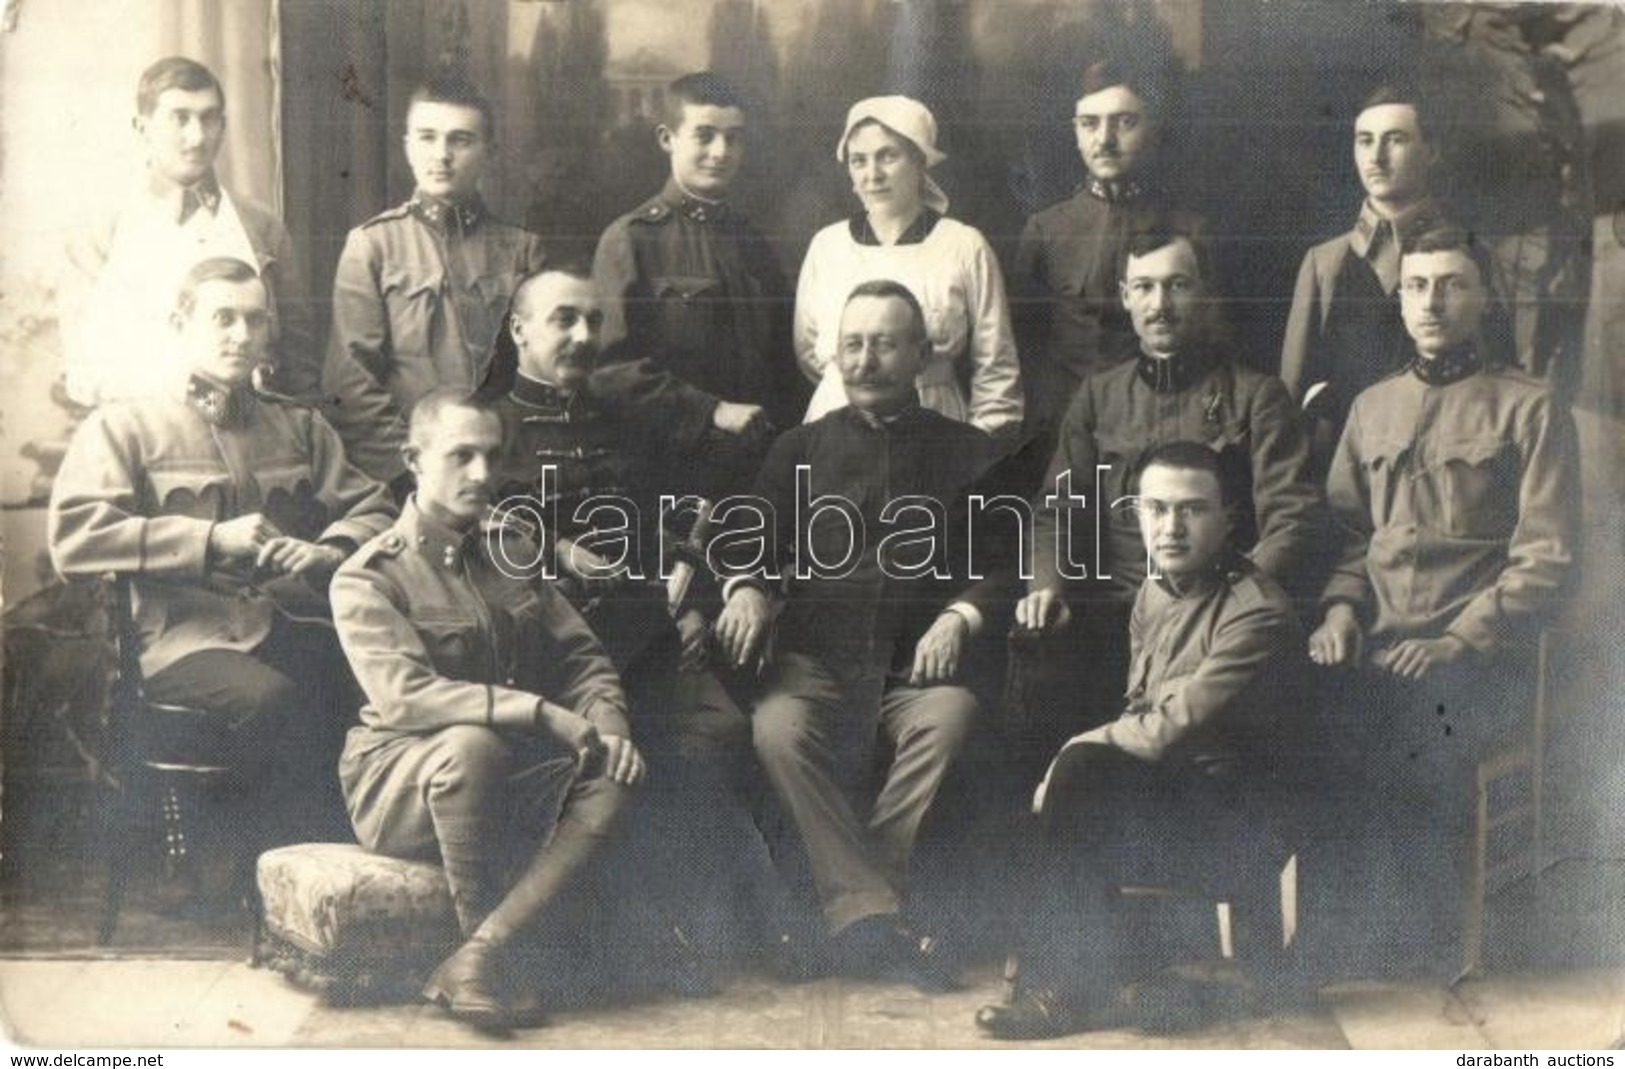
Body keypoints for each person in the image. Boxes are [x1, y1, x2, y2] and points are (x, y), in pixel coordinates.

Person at [713, 280, 1010, 986]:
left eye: (883, 342)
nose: (865, 359)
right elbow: (742, 540)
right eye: (852, 343)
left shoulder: (969, 451)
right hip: (813, 663)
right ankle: (882, 915)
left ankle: (859, 907)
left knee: (951, 719)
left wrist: (957, 614)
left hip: (918, 671)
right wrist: (748, 585)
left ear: (922, 353)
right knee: (775, 731)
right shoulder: (799, 447)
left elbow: (1007, 558)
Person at [489, 266, 787, 969]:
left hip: (644, 632)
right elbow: (478, 527)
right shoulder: (488, 426)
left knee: (718, 728)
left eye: (593, 321)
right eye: (563, 319)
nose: (582, 335)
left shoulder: (624, 413)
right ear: (519, 329)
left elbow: (673, 516)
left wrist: (685, 600)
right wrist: (554, 548)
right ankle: (691, 926)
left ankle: (719, 918)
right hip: (543, 650)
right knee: (643, 743)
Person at [49, 256, 394, 851]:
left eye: (255, 321)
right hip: (180, 645)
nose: (242, 335)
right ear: (180, 323)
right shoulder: (126, 427)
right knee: (274, 703)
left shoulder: (298, 426)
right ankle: (270, 880)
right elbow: (75, 538)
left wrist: (328, 549)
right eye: (223, 318)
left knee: (377, 681)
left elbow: (378, 508)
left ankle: (352, 876)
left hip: (281, 623)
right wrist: (207, 541)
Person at [1306, 225, 1578, 969]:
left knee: (1412, 727)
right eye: (1417, 285)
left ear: (1482, 295)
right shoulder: (1371, 408)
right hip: (1380, 640)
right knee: (1297, 720)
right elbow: (1347, 535)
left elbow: (1545, 554)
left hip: (1483, 652)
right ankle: (1328, 941)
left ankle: (1411, 946)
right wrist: (1336, 609)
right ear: (1399, 300)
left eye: (1451, 283)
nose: (1431, 301)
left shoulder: (1528, 406)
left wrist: (1457, 638)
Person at [332, 388, 643, 1031]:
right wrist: (537, 711)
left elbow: (583, 657)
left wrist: (609, 729)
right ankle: (486, 950)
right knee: (473, 744)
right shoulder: (368, 576)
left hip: (505, 773)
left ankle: (481, 955)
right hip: (401, 780)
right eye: (460, 456)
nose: (481, 474)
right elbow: (406, 695)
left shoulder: (513, 548)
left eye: (491, 456)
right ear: (413, 460)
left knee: (613, 774)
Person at [977, 441, 1302, 1039]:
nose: (1170, 527)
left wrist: (1072, 754)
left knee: (1079, 774)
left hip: (1237, 823)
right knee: (1066, 777)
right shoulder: (1156, 589)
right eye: (1156, 509)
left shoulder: (1256, 612)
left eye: (1192, 509)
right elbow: (1138, 703)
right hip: (1172, 801)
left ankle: (1065, 987)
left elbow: (1160, 730)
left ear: (1229, 518)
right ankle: (1092, 980)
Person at [1015, 225, 1318, 773]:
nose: (1161, 304)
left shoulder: (1255, 397)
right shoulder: (1099, 396)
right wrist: (1046, 586)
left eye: (1177, 285)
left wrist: (1228, 603)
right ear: (1126, 297)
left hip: (1213, 615)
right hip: (1114, 612)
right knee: (1037, 660)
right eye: (1145, 288)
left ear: (1204, 294)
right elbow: (1057, 508)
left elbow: (1290, 520)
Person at [322, 77, 547, 488]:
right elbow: (351, 385)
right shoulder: (373, 245)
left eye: (460, 140)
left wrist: (499, 471)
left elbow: (536, 379)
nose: (441, 155)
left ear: (489, 152)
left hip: (504, 474)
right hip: (408, 481)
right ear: (408, 145)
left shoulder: (522, 251)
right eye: (427, 138)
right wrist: (417, 473)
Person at [60, 57, 314, 406]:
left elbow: (300, 358)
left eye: (208, 118)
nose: (196, 137)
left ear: (223, 127)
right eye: (179, 118)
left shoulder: (261, 225)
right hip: (144, 437)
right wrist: (201, 397)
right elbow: (83, 373)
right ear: (142, 127)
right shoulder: (101, 232)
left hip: (253, 435)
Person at [794, 96, 1023, 444]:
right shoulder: (827, 246)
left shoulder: (963, 245)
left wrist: (974, 449)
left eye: (888, 156)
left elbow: (997, 365)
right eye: (859, 160)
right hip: (838, 426)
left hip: (935, 425)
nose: (872, 174)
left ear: (920, 161)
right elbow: (810, 352)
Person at [592, 71, 805, 441]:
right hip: (669, 463)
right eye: (704, 135)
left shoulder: (752, 241)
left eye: (733, 138)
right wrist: (711, 412)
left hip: (759, 464)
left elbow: (785, 363)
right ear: (667, 139)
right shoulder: (632, 240)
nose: (721, 152)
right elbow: (611, 372)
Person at [1009, 57, 1203, 443]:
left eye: (1124, 122)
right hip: (1063, 426)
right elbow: (1021, 347)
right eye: (1090, 124)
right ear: (1076, 133)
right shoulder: (1046, 229)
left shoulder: (1189, 229)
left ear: (1151, 129)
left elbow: (1210, 344)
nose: (1105, 140)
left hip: (1159, 422)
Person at [1280, 86, 1451, 467]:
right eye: (1365, 141)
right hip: (1343, 472)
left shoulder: (1469, 258)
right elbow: (1291, 400)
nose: (1376, 157)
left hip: (1440, 469)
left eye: (1396, 140)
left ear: (1432, 151)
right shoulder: (1325, 263)